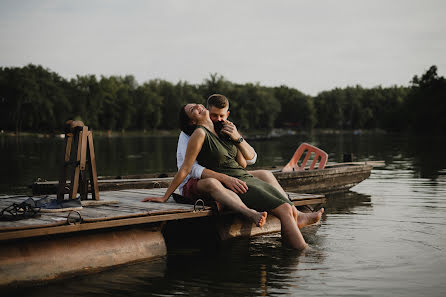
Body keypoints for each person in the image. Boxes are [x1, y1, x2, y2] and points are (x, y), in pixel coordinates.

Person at [143, 103, 324, 249]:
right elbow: (187, 169)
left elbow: (245, 163)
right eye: (193, 109)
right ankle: (302, 252)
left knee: (284, 204)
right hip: (208, 181)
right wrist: (165, 197)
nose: (199, 106)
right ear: (192, 121)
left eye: (198, 104)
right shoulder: (195, 134)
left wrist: (236, 137)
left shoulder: (221, 130)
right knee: (284, 210)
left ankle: (297, 227)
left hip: (237, 176)